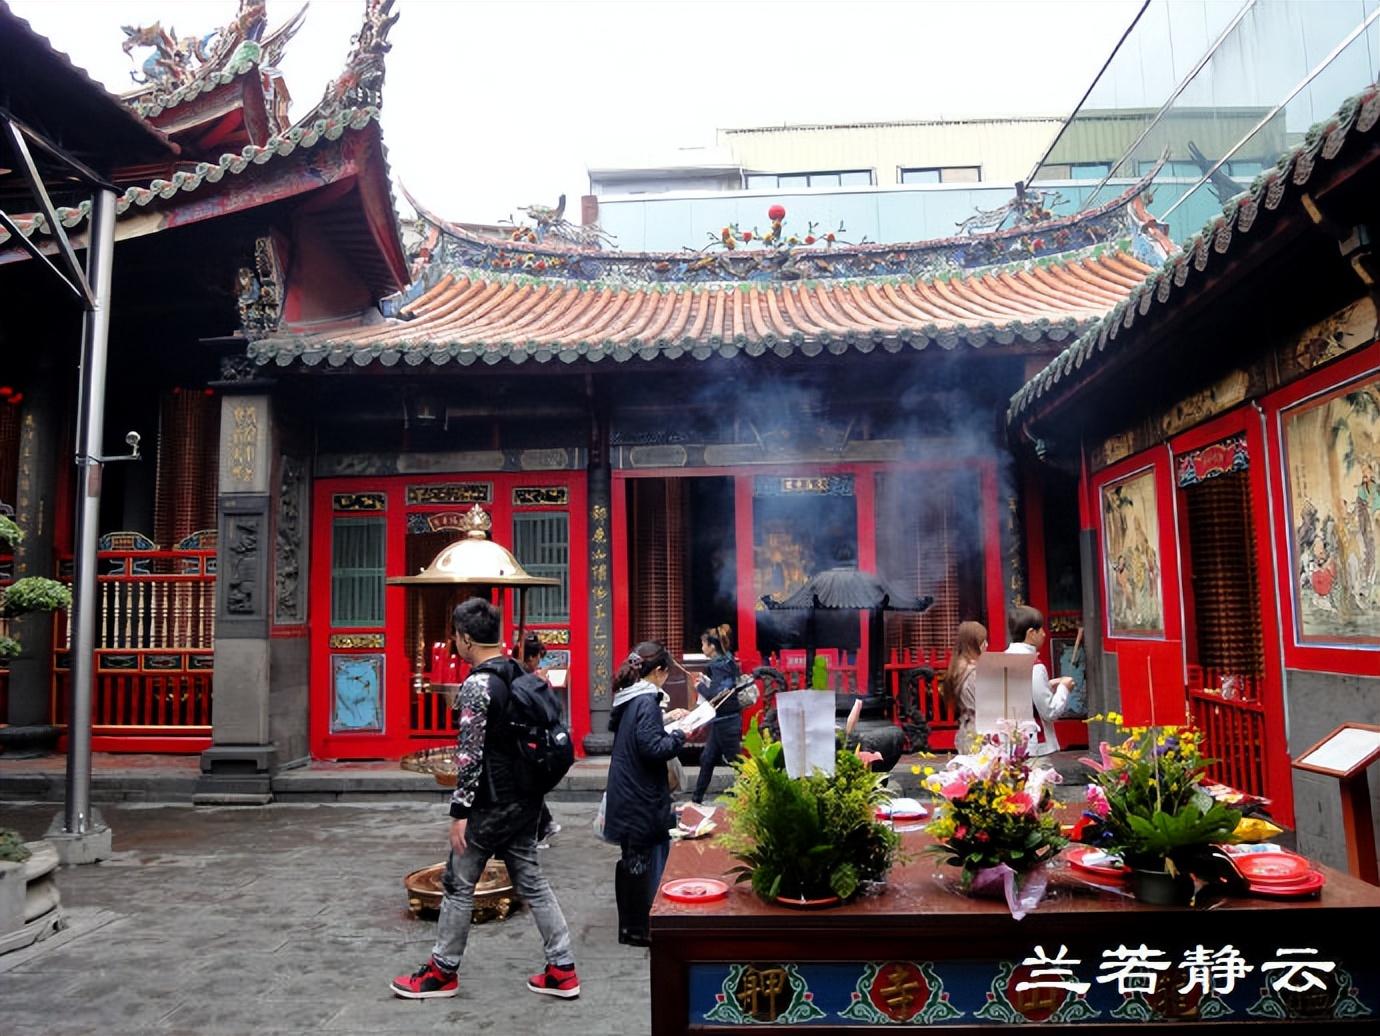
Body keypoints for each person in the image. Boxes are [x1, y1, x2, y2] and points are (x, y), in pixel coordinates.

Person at [391, 598, 579, 1000]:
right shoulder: (517, 672)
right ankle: (562, 968)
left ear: (464, 638)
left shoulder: (478, 685)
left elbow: (470, 755)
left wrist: (459, 812)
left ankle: (442, 971)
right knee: (532, 880)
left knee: (458, 882)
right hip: (526, 798)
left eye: (455, 637)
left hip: (492, 803)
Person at [604, 641, 688, 947]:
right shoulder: (647, 700)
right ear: (660, 671)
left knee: (631, 861)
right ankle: (640, 928)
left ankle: (629, 928)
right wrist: (681, 734)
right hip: (640, 795)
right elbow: (653, 748)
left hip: (627, 791)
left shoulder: (630, 697)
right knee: (640, 862)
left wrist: (666, 723)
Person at [1004, 605, 1073, 756]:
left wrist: (1048, 685)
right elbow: (1050, 711)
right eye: (1040, 629)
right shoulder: (1034, 666)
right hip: (1034, 745)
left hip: (1008, 744)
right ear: (1031, 633)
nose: (1044, 634)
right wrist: (1064, 688)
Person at [518, 633, 561, 848]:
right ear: (531, 657)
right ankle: (543, 825)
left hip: (530, 741)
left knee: (528, 788)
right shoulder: (530, 680)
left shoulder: (523, 679)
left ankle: (541, 827)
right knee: (528, 788)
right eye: (537, 658)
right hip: (530, 740)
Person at [691, 624, 742, 805]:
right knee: (708, 758)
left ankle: (754, 794)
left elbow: (716, 696)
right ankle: (696, 799)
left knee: (737, 762)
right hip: (724, 720)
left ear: (712, 646)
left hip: (726, 721)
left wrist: (699, 686)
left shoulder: (719, 666)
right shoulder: (727, 661)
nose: (702, 648)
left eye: (703, 644)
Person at [941, 621, 987, 752]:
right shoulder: (972, 672)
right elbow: (982, 704)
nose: (986, 645)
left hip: (967, 727)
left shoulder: (958, 668)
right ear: (974, 644)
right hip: (978, 730)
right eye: (983, 641)